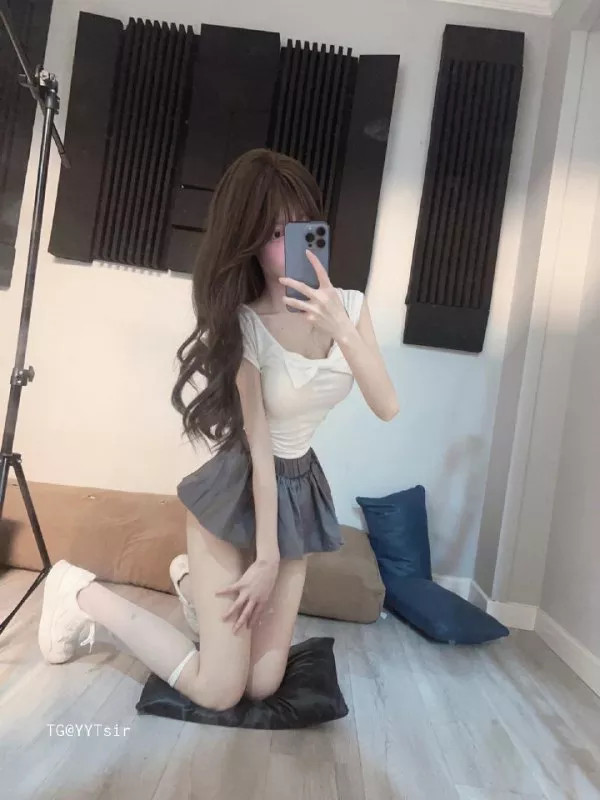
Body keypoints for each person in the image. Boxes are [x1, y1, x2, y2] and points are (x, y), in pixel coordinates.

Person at [37, 149, 399, 711]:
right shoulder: (246, 323)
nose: (292, 244)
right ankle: (78, 594)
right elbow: (259, 447)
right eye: (274, 233)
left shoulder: (350, 307)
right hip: (238, 488)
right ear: (249, 240)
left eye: (302, 225)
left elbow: (387, 406)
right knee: (220, 690)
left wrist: (341, 328)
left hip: (299, 491)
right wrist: (266, 557)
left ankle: (191, 589)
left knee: (263, 685)